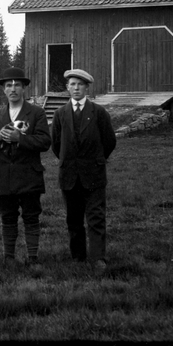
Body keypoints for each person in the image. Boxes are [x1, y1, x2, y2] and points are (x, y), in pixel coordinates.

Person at [0, 66, 51, 268]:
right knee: (8, 217)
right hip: (4, 176)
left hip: (29, 175)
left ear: (24, 88)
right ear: (3, 89)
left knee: (31, 216)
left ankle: (33, 258)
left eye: (17, 85)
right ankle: (8, 257)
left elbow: (45, 142)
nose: (13, 89)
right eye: (8, 85)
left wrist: (20, 138)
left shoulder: (36, 113)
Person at [51, 68, 117, 271]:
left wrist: (96, 160)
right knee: (73, 218)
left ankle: (98, 258)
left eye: (80, 84)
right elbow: (56, 144)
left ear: (87, 87)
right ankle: (77, 257)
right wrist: (69, 161)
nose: (76, 88)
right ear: (67, 88)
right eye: (72, 84)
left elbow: (109, 141)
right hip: (69, 174)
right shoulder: (60, 114)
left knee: (96, 216)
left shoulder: (98, 113)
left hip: (94, 174)